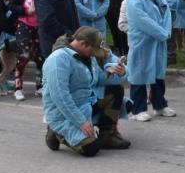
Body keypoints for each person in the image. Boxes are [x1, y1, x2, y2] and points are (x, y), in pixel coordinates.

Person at [42, 27, 129, 156]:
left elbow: (97, 79)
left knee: (116, 92)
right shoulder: (58, 59)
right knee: (91, 148)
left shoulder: (86, 55)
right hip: (63, 113)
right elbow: (60, 97)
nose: (95, 54)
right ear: (82, 43)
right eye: (93, 50)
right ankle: (55, 131)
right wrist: (81, 122)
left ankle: (107, 136)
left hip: (85, 105)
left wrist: (115, 72)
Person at [125, 0, 175, 121]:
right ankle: (138, 109)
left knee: (158, 74)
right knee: (139, 74)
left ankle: (160, 105)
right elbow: (141, 19)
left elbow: (166, 11)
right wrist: (161, 32)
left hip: (158, 40)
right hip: (142, 40)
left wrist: (166, 31)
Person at [10, 0, 44, 101]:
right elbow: (11, 6)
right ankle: (18, 88)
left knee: (40, 56)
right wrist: (25, 11)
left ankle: (40, 85)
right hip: (24, 24)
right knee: (23, 55)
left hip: (40, 26)